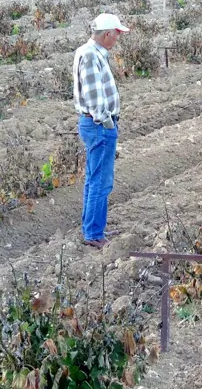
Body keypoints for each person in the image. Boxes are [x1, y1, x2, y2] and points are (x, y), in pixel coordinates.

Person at [73, 13, 129, 249]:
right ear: (107, 34)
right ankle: (94, 234)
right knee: (100, 181)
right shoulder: (90, 55)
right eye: (116, 34)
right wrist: (107, 123)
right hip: (99, 126)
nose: (117, 38)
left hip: (96, 125)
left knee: (94, 179)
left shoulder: (92, 53)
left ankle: (93, 228)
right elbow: (95, 97)